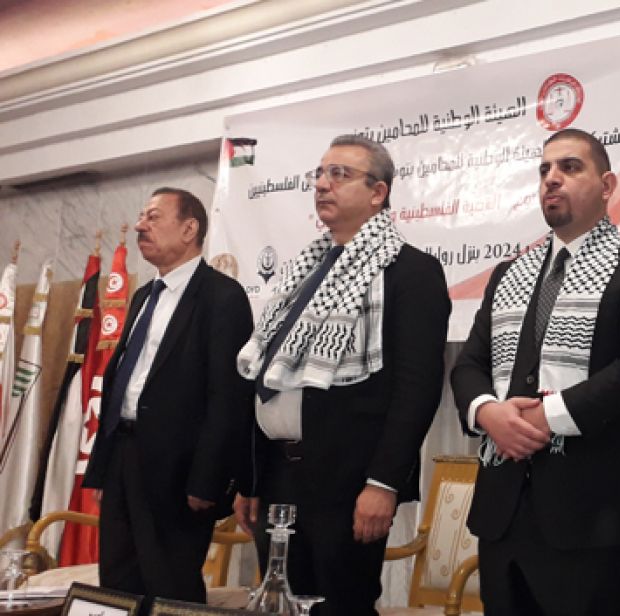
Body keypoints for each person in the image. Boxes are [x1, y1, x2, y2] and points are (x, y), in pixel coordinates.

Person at [451, 128, 620, 615]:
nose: (551, 179)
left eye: (570, 167)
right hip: (504, 512)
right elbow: (469, 364)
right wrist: (489, 413)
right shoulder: (509, 275)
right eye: (544, 170)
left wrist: (545, 417)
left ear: (607, 185)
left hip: (595, 516)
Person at [233, 135, 451, 616]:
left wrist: (384, 483)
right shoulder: (303, 270)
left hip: (348, 483)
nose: (321, 184)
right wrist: (251, 480)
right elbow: (268, 376)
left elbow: (416, 389)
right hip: (278, 476)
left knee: (340, 608)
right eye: (319, 173)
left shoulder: (410, 272)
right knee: (280, 607)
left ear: (378, 193)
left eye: (339, 174)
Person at [84, 188, 254, 608]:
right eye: (141, 216)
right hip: (123, 457)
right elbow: (120, 383)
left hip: (179, 472)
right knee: (117, 586)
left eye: (153, 217)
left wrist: (207, 479)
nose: (140, 225)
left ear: (189, 228)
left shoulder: (222, 297)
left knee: (170, 587)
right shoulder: (144, 296)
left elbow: (227, 397)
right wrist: (102, 469)